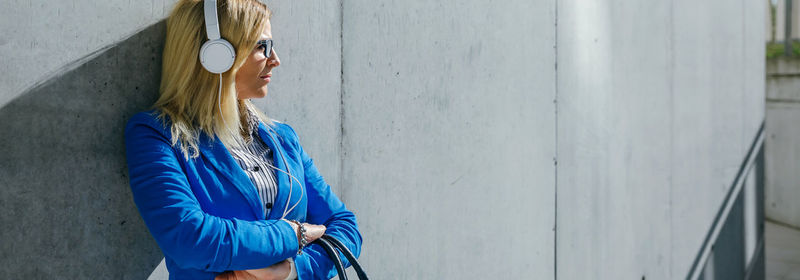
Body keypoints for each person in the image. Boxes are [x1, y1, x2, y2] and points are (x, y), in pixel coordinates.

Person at [124, 1, 362, 279]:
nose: (276, 59)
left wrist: (290, 271)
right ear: (216, 55)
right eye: (263, 46)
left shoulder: (282, 139)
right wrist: (296, 233)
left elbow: (345, 226)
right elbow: (189, 238)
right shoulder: (156, 135)